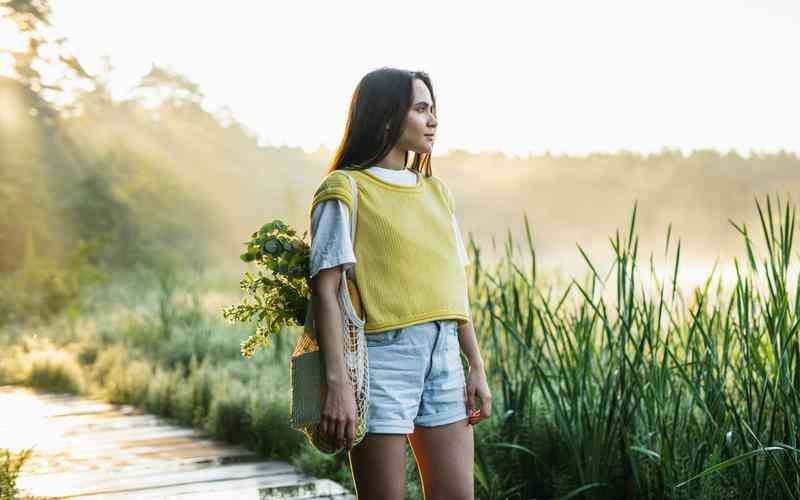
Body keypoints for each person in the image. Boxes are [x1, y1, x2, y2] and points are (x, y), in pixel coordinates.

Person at [308, 67, 492, 500]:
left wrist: (476, 367)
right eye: (421, 109)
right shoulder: (345, 188)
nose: (433, 120)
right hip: (382, 361)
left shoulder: (437, 193)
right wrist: (337, 386)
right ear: (388, 117)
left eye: (434, 110)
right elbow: (326, 292)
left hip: (444, 356)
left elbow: (453, 290)